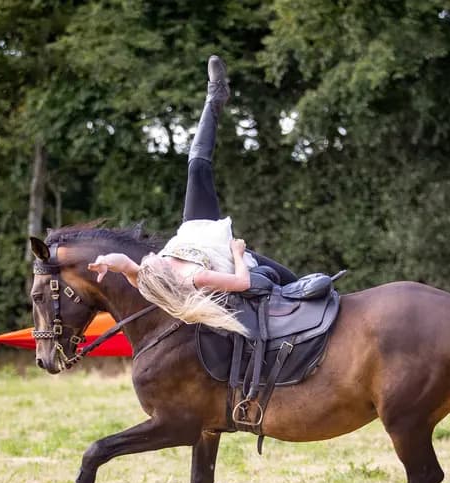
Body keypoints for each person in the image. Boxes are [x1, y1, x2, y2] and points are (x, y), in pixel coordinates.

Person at [88, 56, 295, 335]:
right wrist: (237, 253)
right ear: (161, 271)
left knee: (197, 164)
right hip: (225, 254)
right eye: (150, 260)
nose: (150, 254)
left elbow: (126, 265)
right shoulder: (193, 278)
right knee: (293, 283)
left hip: (196, 231)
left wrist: (106, 261)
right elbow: (242, 282)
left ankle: (215, 94)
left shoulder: (148, 276)